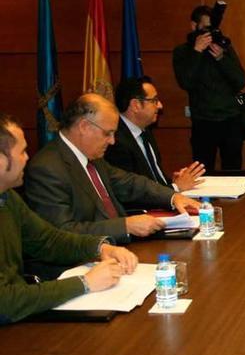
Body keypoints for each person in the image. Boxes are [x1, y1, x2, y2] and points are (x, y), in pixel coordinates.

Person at [0, 113, 138, 324]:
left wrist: (100, 248)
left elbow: (48, 240)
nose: (28, 158)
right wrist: (84, 283)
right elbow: (6, 303)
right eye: (22, 151)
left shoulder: (7, 198)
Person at [24, 94, 201, 245]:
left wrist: (173, 196)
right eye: (107, 133)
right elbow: (62, 232)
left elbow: (130, 183)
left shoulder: (92, 156)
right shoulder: (47, 169)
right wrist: (125, 226)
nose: (112, 141)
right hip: (81, 263)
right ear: (84, 127)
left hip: (119, 248)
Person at [172, 4, 245, 171]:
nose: (210, 33)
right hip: (203, 121)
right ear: (194, 26)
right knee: (203, 171)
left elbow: (241, 81)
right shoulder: (183, 52)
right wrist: (197, 51)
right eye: (206, 28)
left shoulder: (223, 47)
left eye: (213, 28)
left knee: (234, 170)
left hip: (231, 119)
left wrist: (221, 58)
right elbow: (186, 82)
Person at [104, 77, 205, 195]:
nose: (160, 105)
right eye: (154, 100)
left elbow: (153, 180)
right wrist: (175, 187)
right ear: (135, 105)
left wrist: (172, 181)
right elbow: (130, 192)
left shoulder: (144, 131)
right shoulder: (115, 141)